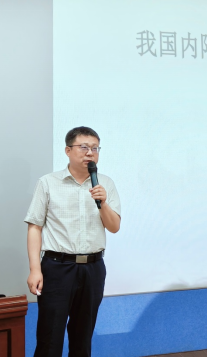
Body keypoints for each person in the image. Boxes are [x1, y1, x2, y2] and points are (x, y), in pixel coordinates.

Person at [25, 127, 121, 357]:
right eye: (84, 147)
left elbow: (114, 226)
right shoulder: (48, 183)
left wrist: (103, 203)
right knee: (50, 337)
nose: (90, 153)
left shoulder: (105, 184)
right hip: (57, 268)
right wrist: (35, 269)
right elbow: (35, 227)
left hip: (93, 268)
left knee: (82, 337)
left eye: (95, 148)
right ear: (68, 150)